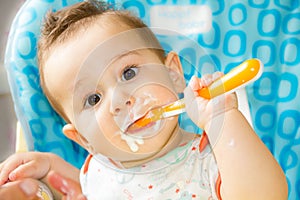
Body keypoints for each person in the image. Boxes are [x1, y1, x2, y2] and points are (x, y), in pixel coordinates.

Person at [0, 1, 288, 199]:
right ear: (82, 139)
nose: (120, 100)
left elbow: (265, 194)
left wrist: (221, 119)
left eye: (128, 72)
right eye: (93, 98)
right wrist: (52, 167)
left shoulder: (209, 159)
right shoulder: (95, 170)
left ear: (174, 74)